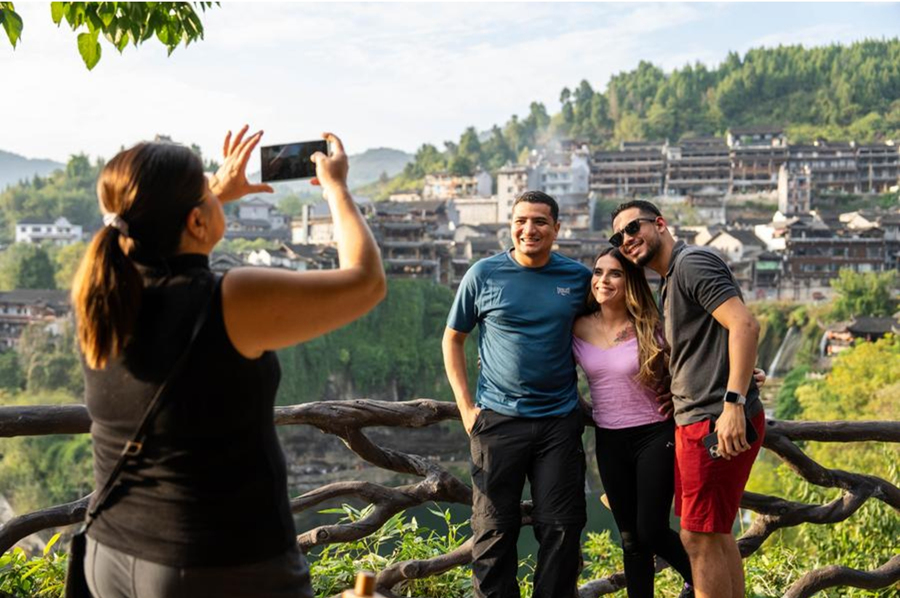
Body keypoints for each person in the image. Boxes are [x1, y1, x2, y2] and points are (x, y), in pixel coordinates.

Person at [72, 126, 386, 598]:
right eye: (206, 195)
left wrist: (211, 194)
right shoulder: (231, 298)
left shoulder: (102, 296)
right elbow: (365, 282)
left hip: (110, 554)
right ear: (196, 222)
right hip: (213, 563)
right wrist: (337, 186)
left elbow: (173, 258)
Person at [610, 200, 765, 598]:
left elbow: (744, 324)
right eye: (618, 237)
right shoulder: (672, 279)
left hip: (714, 420)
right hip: (698, 417)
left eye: (633, 229)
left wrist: (733, 401)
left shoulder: (692, 263)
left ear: (659, 224)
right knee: (714, 532)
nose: (626, 241)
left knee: (696, 538)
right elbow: (714, 341)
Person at [442, 190, 591, 598]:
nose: (529, 229)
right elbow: (453, 340)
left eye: (540, 221)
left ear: (557, 229)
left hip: (559, 422)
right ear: (511, 225)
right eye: (521, 220)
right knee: (492, 530)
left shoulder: (577, 279)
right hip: (497, 421)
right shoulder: (483, 274)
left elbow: (619, 330)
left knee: (562, 526)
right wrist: (466, 409)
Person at [573, 246, 694, 598]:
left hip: (655, 434)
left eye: (614, 273)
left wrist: (746, 377)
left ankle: (698, 579)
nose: (603, 280)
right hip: (609, 440)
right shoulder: (577, 327)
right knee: (631, 540)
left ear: (631, 281)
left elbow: (692, 363)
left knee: (651, 530)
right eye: (598, 272)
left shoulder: (652, 325)